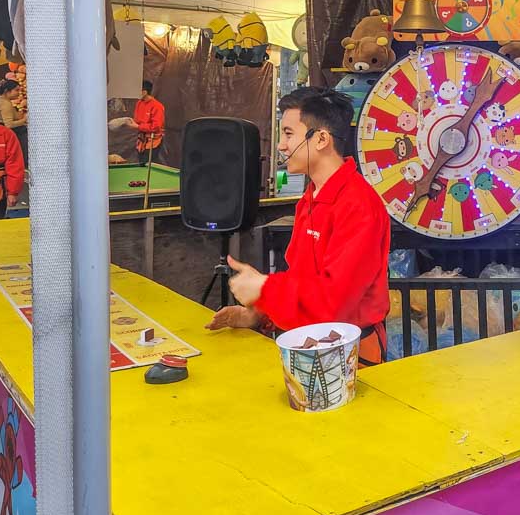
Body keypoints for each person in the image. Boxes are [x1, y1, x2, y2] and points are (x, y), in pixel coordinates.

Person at [207, 87, 391, 364]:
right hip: (307, 346)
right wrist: (258, 315)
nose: (281, 145)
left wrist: (264, 289)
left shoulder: (358, 205)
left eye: (289, 134)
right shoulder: (310, 199)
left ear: (320, 139)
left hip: (348, 356)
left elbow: (333, 304)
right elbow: (301, 279)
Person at [129, 80, 165, 165]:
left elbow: (156, 127)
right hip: (141, 140)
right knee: (141, 163)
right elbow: (137, 120)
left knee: (148, 164)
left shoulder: (157, 106)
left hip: (153, 141)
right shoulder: (139, 103)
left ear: (144, 92)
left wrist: (138, 127)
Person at [0, 78, 29, 163]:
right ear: (7, 91)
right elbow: (9, 124)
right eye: (16, 90)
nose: (18, 93)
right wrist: (24, 120)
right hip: (5, 131)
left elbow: (13, 116)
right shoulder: (5, 104)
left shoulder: (2, 99)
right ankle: (25, 160)